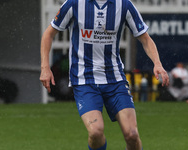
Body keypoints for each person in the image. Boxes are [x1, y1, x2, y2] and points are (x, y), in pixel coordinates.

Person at [40, 0, 169, 149]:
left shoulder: (124, 5)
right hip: (84, 80)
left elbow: (145, 38)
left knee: (132, 135)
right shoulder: (74, 4)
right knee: (96, 132)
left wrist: (157, 63)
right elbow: (48, 34)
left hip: (115, 80)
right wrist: (45, 67)